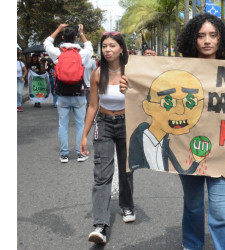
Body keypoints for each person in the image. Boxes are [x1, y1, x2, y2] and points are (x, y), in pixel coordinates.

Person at [175, 13, 225, 250]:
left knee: (221, 211)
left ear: (221, 39)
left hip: (224, 151)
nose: (207, 41)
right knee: (193, 205)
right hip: (188, 149)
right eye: (201, 36)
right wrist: (130, 86)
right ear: (193, 39)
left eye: (213, 35)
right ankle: (192, 245)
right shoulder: (178, 70)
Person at [80, 31, 135, 245]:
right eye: (104, 46)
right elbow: (93, 105)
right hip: (103, 123)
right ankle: (100, 225)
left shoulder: (130, 72)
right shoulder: (97, 73)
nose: (108, 50)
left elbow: (143, 99)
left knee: (126, 169)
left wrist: (131, 89)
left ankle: (127, 205)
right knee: (101, 174)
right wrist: (84, 135)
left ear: (121, 48)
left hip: (127, 122)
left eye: (112, 46)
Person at [43, 23, 93, 163]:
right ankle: (79, 153)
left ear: (63, 37)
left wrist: (58, 29)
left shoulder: (58, 54)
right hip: (79, 95)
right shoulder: (81, 54)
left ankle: (64, 154)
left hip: (62, 95)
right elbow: (89, 46)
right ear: (75, 37)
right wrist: (82, 33)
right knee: (80, 125)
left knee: (63, 125)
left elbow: (47, 43)